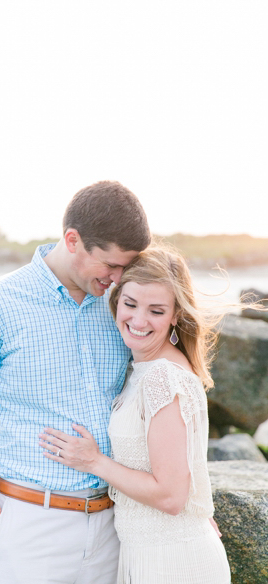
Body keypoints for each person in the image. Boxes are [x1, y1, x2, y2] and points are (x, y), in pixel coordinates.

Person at [0, 180, 151, 584]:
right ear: (72, 240)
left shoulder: (122, 308)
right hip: (30, 526)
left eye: (126, 266)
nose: (118, 278)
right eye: (110, 265)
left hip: (114, 526)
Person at [39, 244, 232, 584]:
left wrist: (93, 462)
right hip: (151, 553)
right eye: (130, 304)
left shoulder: (162, 377)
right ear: (116, 302)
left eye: (156, 311)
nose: (138, 321)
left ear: (176, 315)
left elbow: (171, 497)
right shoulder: (146, 368)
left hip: (173, 562)